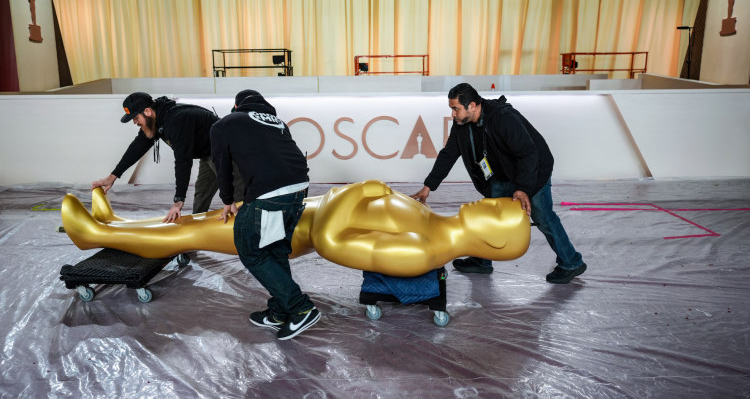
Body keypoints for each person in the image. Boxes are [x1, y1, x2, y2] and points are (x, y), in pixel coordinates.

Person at [61, 180, 531, 277]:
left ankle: (95, 235)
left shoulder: (423, 251)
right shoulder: (433, 223)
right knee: (200, 221)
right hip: (292, 211)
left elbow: (332, 244)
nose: (488, 200)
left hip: (291, 233)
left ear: (492, 240)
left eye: (495, 211)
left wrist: (348, 195)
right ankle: (116, 223)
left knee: (189, 234)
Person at [411, 82, 586, 284]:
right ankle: (482, 261)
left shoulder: (503, 118)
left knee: (542, 215)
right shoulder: (461, 125)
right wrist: (428, 186)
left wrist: (523, 189)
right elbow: (449, 153)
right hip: (500, 175)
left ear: (473, 106)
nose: (453, 114)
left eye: (456, 109)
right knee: (489, 215)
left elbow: (528, 154)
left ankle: (571, 262)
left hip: (533, 171)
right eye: (451, 109)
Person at [210, 89, 318, 340]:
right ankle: (280, 311)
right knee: (274, 249)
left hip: (271, 193)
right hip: (299, 189)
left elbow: (221, 165)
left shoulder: (224, 124)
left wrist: (227, 200)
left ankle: (301, 308)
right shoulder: (277, 122)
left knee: (251, 249)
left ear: (236, 106)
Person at [91, 92, 243, 223]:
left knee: (237, 195)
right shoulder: (157, 120)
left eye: (136, 118)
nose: (135, 122)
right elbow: (137, 148)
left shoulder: (176, 120)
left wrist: (178, 201)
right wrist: (113, 176)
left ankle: (250, 231)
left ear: (147, 111)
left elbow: (183, 160)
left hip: (227, 151)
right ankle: (194, 234)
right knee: (202, 194)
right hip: (209, 152)